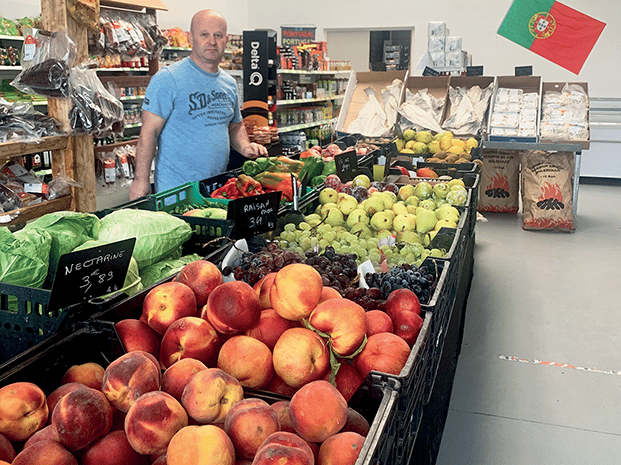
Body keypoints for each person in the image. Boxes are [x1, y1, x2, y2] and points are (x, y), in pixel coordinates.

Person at [129, 9, 268, 199]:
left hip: (218, 188)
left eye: (218, 35)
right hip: (177, 192)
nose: (212, 41)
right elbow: (148, 133)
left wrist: (244, 146)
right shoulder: (168, 79)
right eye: (205, 35)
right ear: (191, 38)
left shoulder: (229, 83)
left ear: (226, 40)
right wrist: (141, 181)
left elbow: (235, 126)